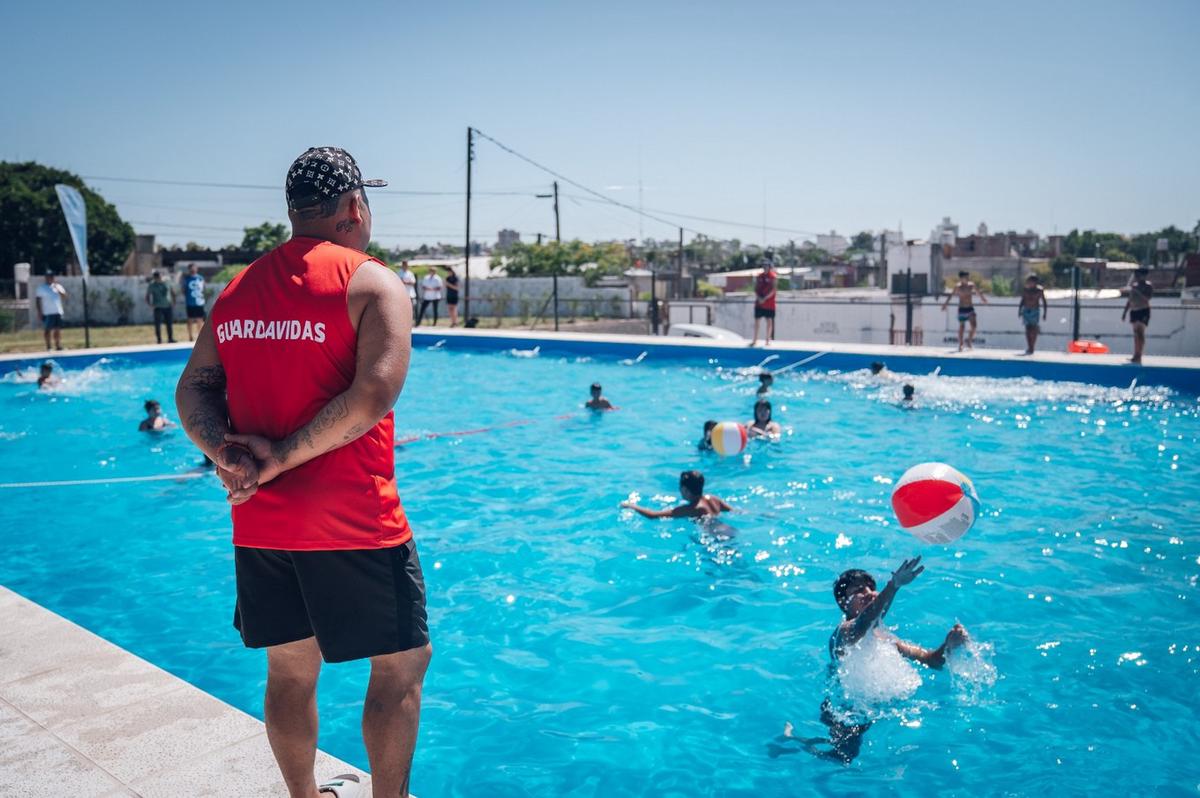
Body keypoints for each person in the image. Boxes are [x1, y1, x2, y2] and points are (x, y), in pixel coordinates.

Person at [175, 146, 428, 798]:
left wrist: (229, 457)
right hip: (354, 521)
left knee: (289, 673)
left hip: (261, 523)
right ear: (354, 207)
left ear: (293, 211)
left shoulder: (237, 291)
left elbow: (192, 391)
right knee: (400, 666)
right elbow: (373, 396)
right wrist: (278, 456)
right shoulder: (371, 283)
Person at [799, 560, 968, 763]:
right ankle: (796, 742)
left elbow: (931, 661)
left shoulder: (886, 638)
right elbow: (864, 622)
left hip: (871, 705)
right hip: (843, 710)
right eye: (859, 590)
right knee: (842, 757)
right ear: (844, 603)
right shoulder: (843, 633)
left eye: (871, 588)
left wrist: (949, 645)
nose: (869, 593)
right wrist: (893, 586)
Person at [622, 470, 731, 519]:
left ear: (685, 490)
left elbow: (652, 515)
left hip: (715, 537)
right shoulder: (713, 499)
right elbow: (733, 511)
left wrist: (631, 506)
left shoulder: (692, 508)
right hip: (728, 531)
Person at [940, 271, 988, 351]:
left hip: (970, 308)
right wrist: (945, 305)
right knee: (962, 327)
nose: (967, 279)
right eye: (965, 277)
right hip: (962, 309)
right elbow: (951, 296)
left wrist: (983, 299)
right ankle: (961, 344)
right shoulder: (958, 287)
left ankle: (969, 341)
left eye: (967, 277)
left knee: (974, 326)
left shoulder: (971, 285)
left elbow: (978, 292)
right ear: (961, 278)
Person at [1122, 267, 1153, 365]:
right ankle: (1135, 355)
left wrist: (1137, 291)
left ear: (1143, 276)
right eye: (1136, 276)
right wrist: (1124, 312)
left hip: (1143, 310)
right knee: (1135, 333)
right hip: (1134, 311)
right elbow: (1129, 300)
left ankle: (1139, 355)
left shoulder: (1148, 286)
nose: (1137, 277)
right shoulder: (1134, 286)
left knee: (1140, 333)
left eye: (1138, 275)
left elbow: (1147, 298)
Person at [34, 272, 68, 351]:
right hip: (48, 312)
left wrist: (57, 288)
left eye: (52, 277)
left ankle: (58, 345)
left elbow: (64, 296)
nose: (50, 278)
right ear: (46, 278)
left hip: (58, 311)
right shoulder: (41, 288)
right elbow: (38, 301)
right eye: (49, 277)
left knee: (57, 330)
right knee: (47, 330)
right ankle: (49, 346)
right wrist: (39, 312)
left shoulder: (58, 286)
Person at [750, 254, 777, 347]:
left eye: (767, 266)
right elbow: (756, 288)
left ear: (769, 267)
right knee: (757, 321)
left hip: (769, 304)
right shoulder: (759, 276)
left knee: (769, 321)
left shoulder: (773, 276)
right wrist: (759, 298)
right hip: (759, 303)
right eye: (764, 266)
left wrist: (765, 298)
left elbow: (773, 290)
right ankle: (755, 340)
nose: (765, 268)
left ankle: (767, 340)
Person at [1017, 274, 1048, 355]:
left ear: (1035, 282)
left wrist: (1045, 313)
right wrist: (1019, 310)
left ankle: (1032, 347)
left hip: (1035, 311)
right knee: (1027, 329)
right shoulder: (1026, 290)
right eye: (1029, 282)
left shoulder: (1039, 290)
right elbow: (1023, 300)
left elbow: (1044, 302)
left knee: (1033, 329)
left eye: (1032, 282)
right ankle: (1029, 346)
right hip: (1026, 310)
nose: (1030, 283)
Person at [145, 271, 177, 344]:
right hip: (158, 307)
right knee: (158, 324)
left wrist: (174, 302)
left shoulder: (167, 282)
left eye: (160, 277)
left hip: (168, 306)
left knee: (169, 323)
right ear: (155, 278)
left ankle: (170, 338)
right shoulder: (152, 285)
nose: (159, 279)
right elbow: (147, 296)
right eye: (157, 278)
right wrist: (150, 305)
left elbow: (172, 292)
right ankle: (159, 339)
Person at [181, 264, 208, 342]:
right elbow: (183, 290)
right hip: (190, 303)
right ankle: (190, 336)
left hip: (199, 302)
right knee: (190, 320)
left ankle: (200, 337)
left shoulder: (200, 278)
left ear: (196, 269)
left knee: (200, 320)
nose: (193, 270)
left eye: (194, 268)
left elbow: (204, 289)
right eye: (191, 269)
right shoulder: (186, 279)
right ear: (189, 269)